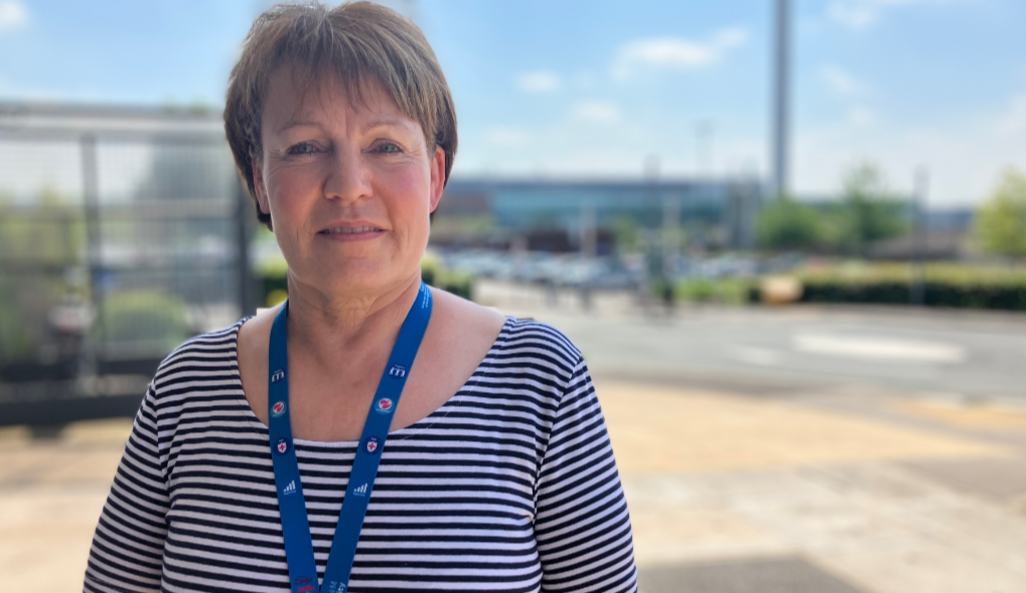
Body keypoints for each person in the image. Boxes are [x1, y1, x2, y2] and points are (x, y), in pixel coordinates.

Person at [83, 2, 637, 592]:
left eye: (386, 145)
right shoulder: (185, 394)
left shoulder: (538, 383)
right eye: (303, 147)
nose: (348, 185)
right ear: (257, 180)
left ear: (435, 177)